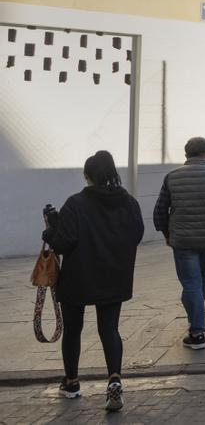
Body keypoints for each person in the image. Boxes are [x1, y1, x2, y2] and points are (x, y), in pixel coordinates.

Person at [42, 150, 144, 412]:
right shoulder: (130, 203)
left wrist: (51, 228)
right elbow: (137, 234)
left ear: (88, 176)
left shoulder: (75, 203)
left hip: (78, 277)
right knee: (109, 329)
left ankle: (72, 383)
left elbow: (63, 242)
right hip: (114, 277)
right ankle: (114, 379)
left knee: (73, 330)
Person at [153, 136, 205, 351]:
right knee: (200, 276)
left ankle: (197, 332)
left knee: (191, 282)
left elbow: (160, 210)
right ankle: (194, 317)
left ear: (186, 155)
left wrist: (166, 234)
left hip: (182, 239)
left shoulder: (172, 177)